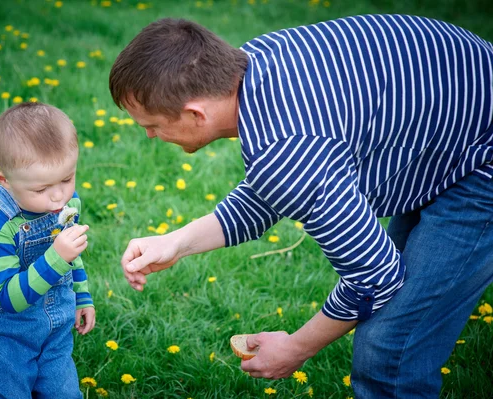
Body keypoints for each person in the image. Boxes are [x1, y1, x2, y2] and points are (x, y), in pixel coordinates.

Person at [109, 14, 493, 398]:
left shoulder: (287, 150)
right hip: (456, 120)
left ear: (196, 113)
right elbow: (275, 188)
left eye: (154, 125)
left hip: (482, 155)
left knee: (390, 348)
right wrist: (177, 242)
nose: (149, 135)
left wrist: (295, 348)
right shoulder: (255, 63)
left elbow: (374, 279)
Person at [0, 102, 95, 398]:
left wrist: (81, 297)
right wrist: (56, 257)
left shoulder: (67, 203)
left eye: (67, 179)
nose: (58, 196)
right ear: (4, 181)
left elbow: (71, 254)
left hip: (54, 325)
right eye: (41, 190)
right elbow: (7, 298)